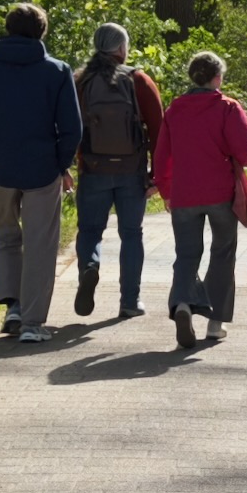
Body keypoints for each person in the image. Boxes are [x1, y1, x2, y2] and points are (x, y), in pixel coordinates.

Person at [0, 2, 82, 344]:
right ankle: (31, 322)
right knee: (40, 245)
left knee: (4, 236)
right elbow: (71, 129)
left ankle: (12, 306)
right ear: (42, 31)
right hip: (43, 169)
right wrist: (60, 164)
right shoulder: (57, 71)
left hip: (1, 167)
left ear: (9, 29)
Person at [154, 50, 247, 349]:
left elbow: (162, 157)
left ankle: (183, 304)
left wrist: (166, 190)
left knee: (186, 254)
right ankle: (215, 323)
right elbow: (246, 153)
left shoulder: (175, 110)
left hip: (184, 194)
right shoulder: (227, 107)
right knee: (222, 253)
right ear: (217, 77)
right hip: (221, 193)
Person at [72, 23, 165, 320]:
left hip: (93, 169)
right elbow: (160, 130)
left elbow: (68, 127)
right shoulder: (139, 80)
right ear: (122, 49)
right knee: (131, 234)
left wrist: (71, 164)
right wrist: (157, 175)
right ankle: (130, 301)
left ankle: (90, 266)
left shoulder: (80, 82)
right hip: (131, 172)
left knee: (89, 231)